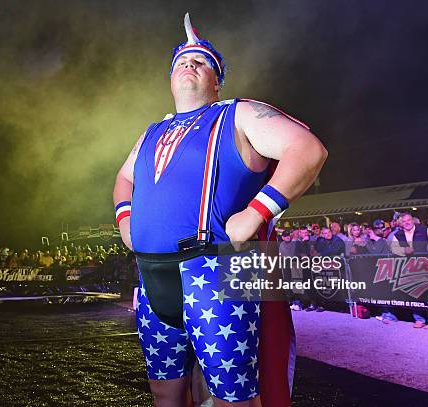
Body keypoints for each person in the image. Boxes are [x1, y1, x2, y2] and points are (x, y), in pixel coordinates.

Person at [113, 13, 327, 407]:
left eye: (202, 61)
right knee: (165, 394)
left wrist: (256, 213)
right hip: (152, 275)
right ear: (170, 78)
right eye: (181, 61)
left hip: (219, 269)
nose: (189, 64)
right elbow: (124, 178)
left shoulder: (239, 113)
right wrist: (125, 219)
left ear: (217, 79)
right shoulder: (150, 131)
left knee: (236, 397)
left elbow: (308, 150)